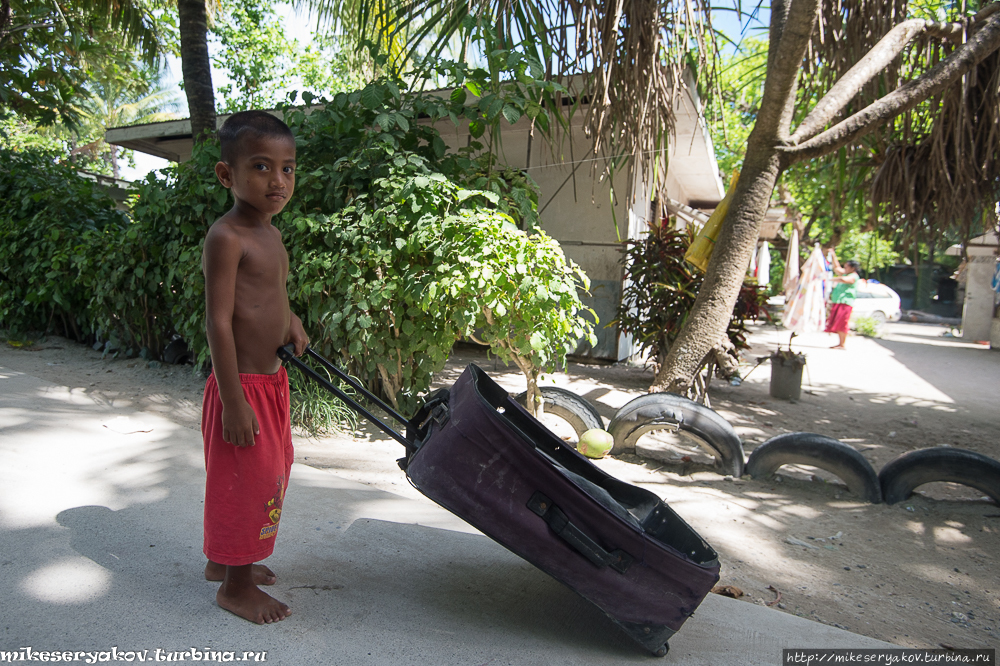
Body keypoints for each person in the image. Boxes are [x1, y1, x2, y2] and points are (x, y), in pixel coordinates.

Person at [200, 110, 309, 624]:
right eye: (262, 167)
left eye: (287, 168)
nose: (278, 180)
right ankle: (235, 587)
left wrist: (291, 320)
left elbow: (268, 296)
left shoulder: (270, 233)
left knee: (272, 470)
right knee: (247, 483)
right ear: (228, 176)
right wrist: (234, 402)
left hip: (271, 382)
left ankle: (223, 561)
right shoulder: (227, 237)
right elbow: (219, 323)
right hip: (240, 387)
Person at [824, 255, 860, 349]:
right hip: (839, 302)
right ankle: (840, 343)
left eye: (846, 267)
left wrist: (829, 278)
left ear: (852, 268)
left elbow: (843, 279)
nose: (845, 269)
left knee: (842, 323)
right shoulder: (846, 274)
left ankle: (842, 344)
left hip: (845, 303)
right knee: (838, 322)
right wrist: (833, 255)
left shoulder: (853, 276)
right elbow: (837, 268)